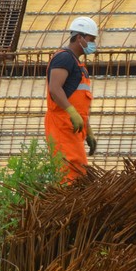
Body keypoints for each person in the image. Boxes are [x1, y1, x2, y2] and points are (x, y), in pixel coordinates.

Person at [44, 17, 99, 182]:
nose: (93, 44)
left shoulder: (77, 64)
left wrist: (87, 130)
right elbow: (55, 88)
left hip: (72, 128)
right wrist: (71, 112)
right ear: (79, 37)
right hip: (62, 125)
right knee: (70, 174)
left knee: (79, 172)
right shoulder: (64, 58)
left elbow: (80, 102)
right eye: (91, 40)